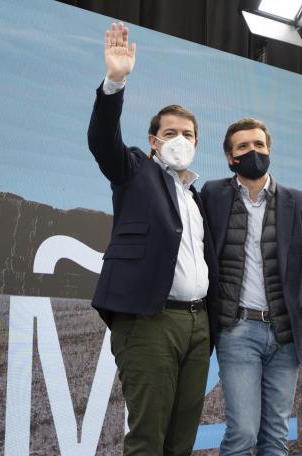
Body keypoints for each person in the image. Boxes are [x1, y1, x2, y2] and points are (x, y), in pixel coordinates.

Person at [88, 22, 218, 456]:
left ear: (197, 143)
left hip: (198, 327)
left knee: (181, 440)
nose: (179, 140)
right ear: (153, 141)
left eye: (187, 134)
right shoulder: (135, 172)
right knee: (148, 439)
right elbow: (103, 142)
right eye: (170, 133)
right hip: (150, 323)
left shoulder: (196, 197)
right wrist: (115, 80)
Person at [200, 118, 302, 456]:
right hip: (237, 330)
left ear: (269, 150)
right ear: (230, 158)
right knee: (243, 431)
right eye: (243, 147)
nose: (253, 151)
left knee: (274, 435)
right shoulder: (213, 194)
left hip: (285, 335)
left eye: (259, 145)